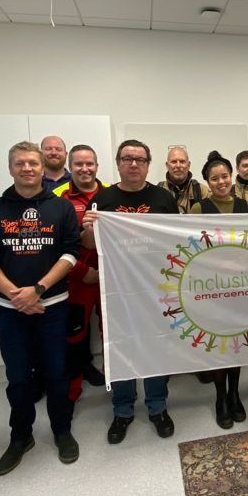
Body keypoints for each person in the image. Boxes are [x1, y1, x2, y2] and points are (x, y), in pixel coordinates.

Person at [0, 141, 80, 475]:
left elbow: (70, 253)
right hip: (10, 309)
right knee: (18, 377)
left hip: (53, 305)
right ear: (10, 168)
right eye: (20, 163)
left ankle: (62, 430)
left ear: (42, 167)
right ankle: (20, 436)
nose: (27, 168)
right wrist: (15, 295)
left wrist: (38, 290)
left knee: (57, 373)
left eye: (33, 163)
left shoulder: (61, 208)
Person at [82, 139, 179, 445]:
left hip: (155, 287)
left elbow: (176, 241)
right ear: (118, 163)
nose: (134, 164)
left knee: (155, 346)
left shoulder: (163, 198)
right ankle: (122, 410)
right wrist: (88, 229)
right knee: (120, 347)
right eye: (127, 158)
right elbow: (89, 245)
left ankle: (157, 407)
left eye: (140, 159)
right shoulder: (103, 199)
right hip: (118, 289)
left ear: (148, 165)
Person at [189, 151, 248, 428]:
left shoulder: (244, 206)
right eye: (215, 178)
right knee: (218, 343)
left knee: (236, 342)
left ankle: (235, 393)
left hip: (240, 285)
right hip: (211, 285)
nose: (221, 182)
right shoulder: (199, 209)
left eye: (225, 176)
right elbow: (192, 249)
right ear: (207, 182)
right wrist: (220, 263)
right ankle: (220, 397)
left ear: (232, 177)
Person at [52, 144, 107, 398]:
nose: (85, 169)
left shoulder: (110, 194)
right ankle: (72, 392)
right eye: (79, 164)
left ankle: (119, 386)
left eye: (90, 164)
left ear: (97, 166)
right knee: (74, 334)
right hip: (77, 279)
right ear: (69, 166)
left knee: (112, 331)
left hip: (111, 278)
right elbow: (54, 244)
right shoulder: (58, 197)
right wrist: (82, 271)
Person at [157, 145, 208, 214]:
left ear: (188, 165)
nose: (178, 165)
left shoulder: (202, 192)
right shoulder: (157, 192)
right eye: (174, 161)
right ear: (167, 165)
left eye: (182, 161)